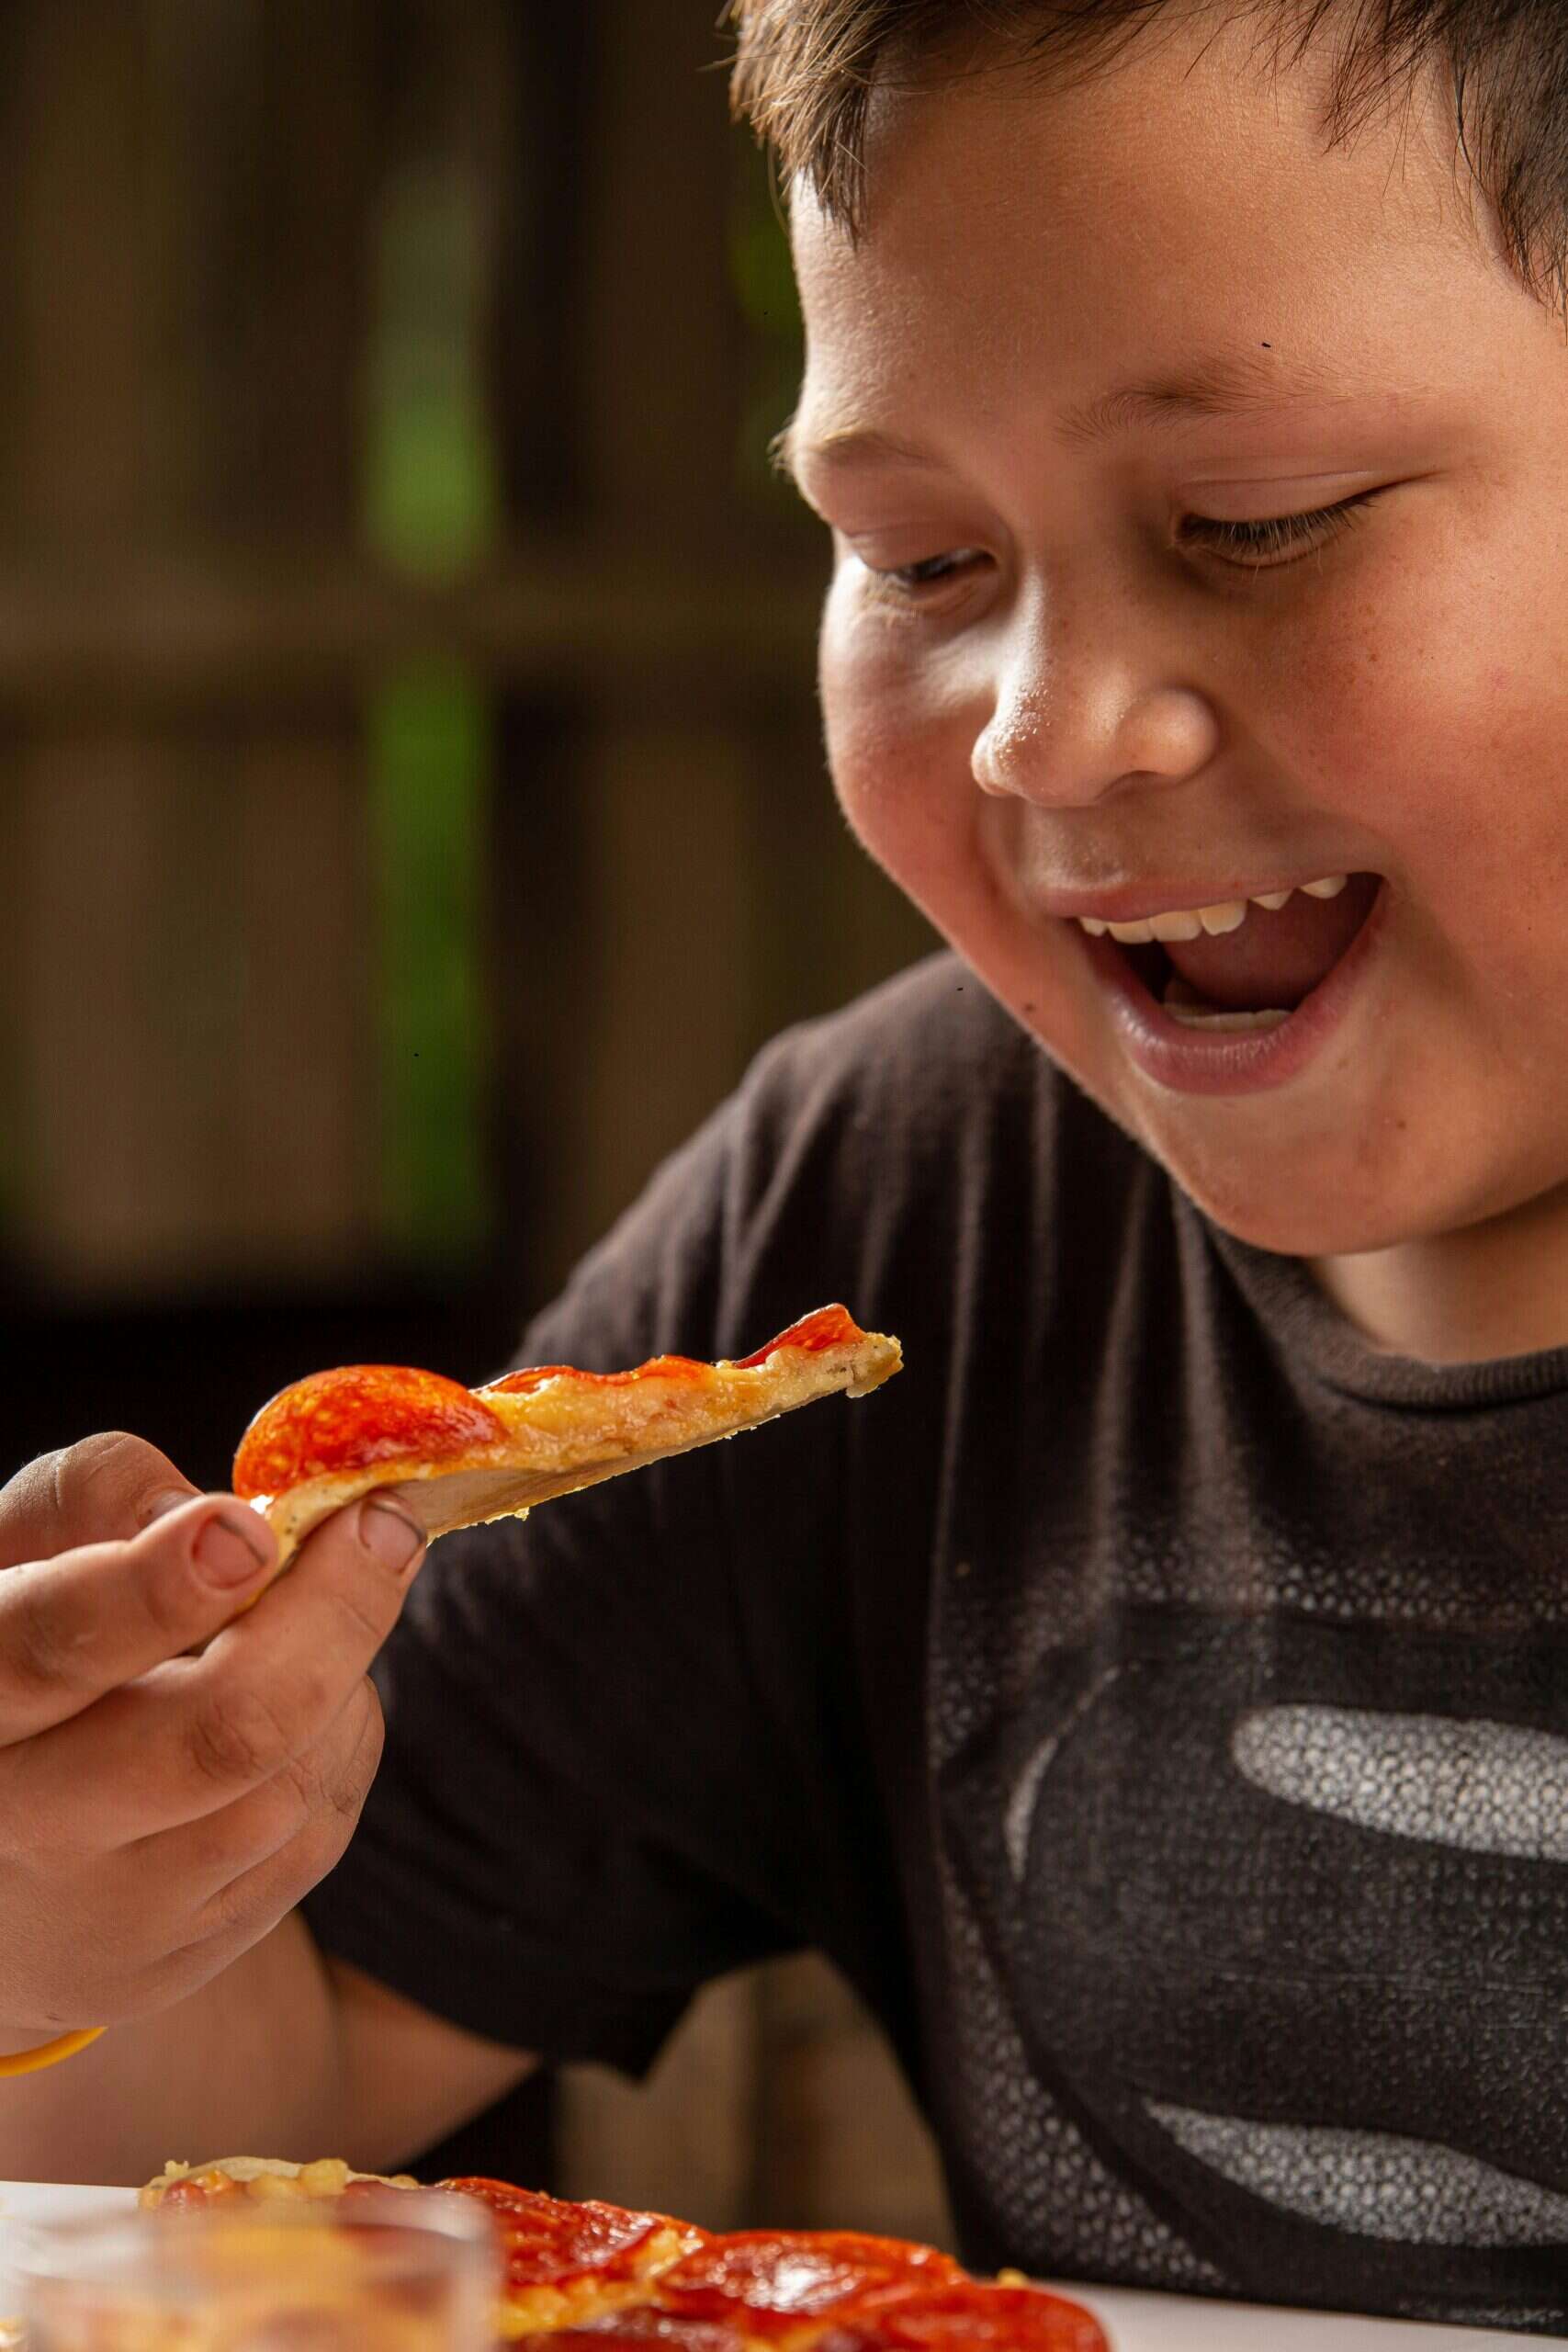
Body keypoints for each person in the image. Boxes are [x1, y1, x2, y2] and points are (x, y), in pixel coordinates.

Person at [5, 0, 1568, 2327]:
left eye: (1252, 520)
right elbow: (270, 2042)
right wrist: (76, 1892)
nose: (1043, 723)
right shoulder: (892, 1202)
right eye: (921, 558)